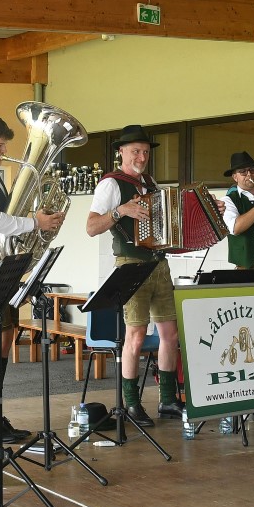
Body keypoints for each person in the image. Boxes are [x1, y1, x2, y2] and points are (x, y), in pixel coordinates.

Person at [0, 111, 62, 443]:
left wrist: (35, 220)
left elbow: (4, 219)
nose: (4, 151)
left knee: (5, 338)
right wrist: (35, 223)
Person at [86, 124, 182, 425]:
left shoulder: (151, 184)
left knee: (170, 334)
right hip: (130, 264)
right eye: (135, 151)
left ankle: (168, 399)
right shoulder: (111, 184)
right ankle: (131, 404)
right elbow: (91, 227)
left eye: (145, 152)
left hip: (159, 264)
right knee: (136, 334)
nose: (141, 157)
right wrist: (121, 211)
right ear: (121, 153)